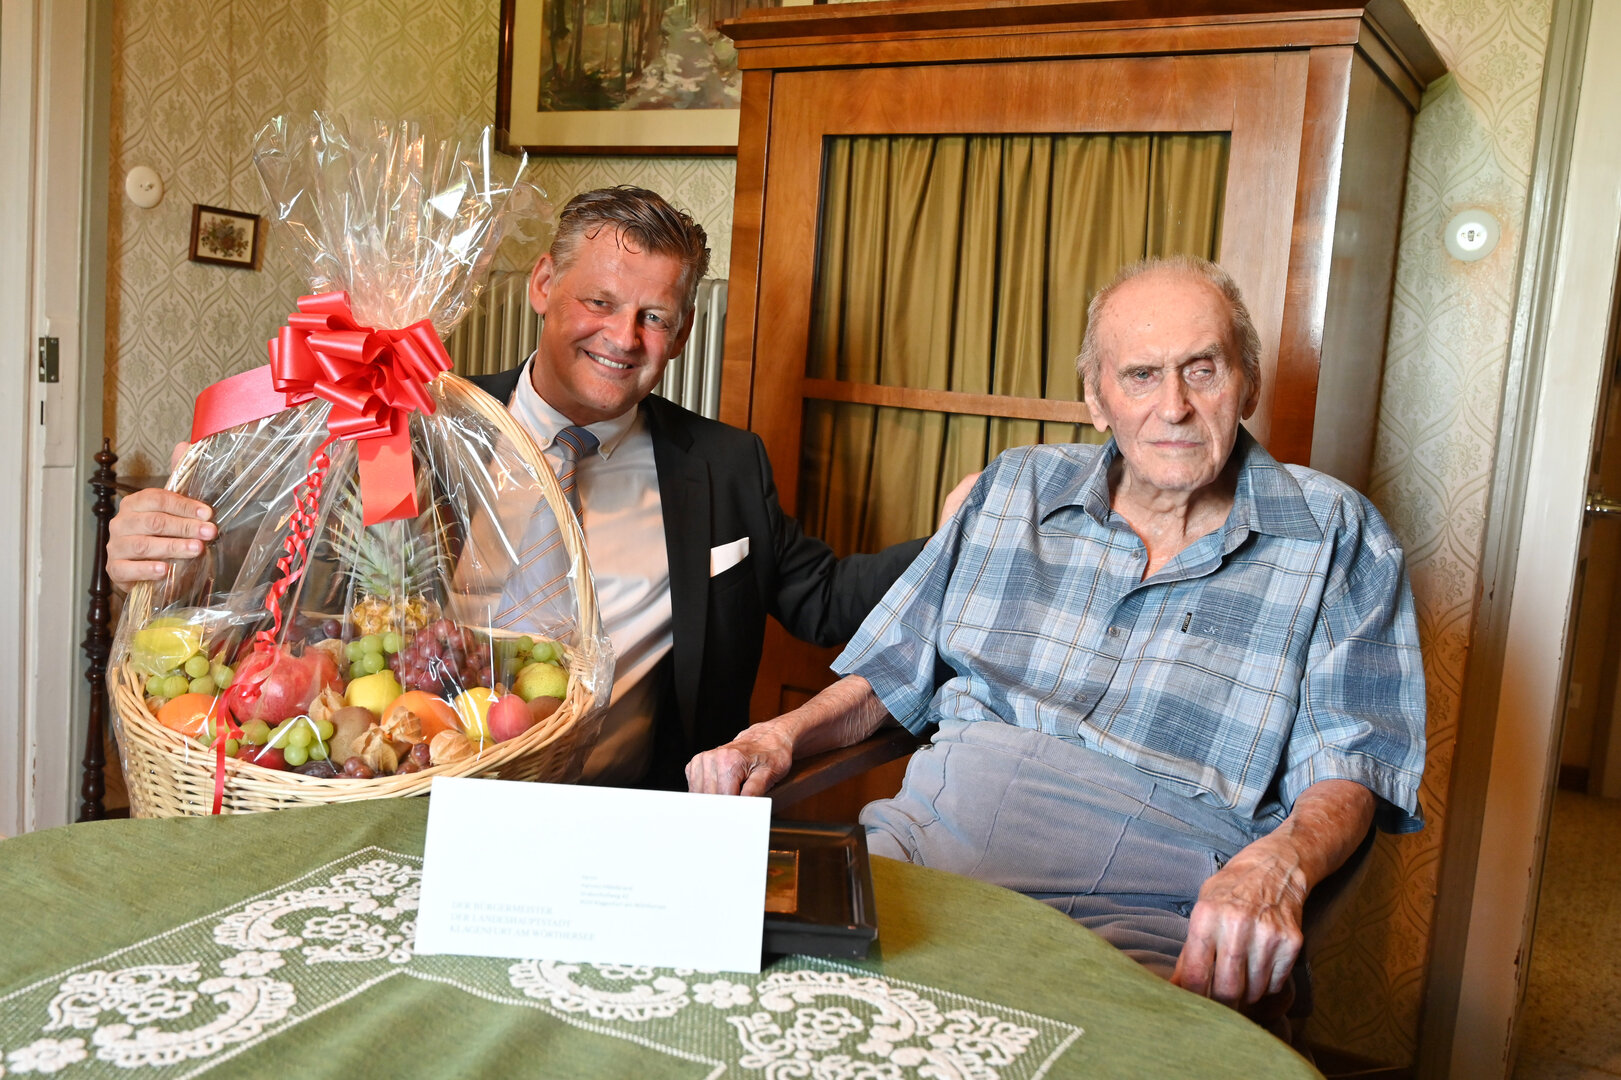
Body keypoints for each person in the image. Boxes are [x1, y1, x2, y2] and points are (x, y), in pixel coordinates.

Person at [688, 255, 1426, 1014]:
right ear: (1096, 399)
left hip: (1153, 914)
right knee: (725, 998)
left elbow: (1353, 761)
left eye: (1201, 371)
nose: (1173, 407)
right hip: (921, 859)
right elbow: (893, 669)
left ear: (1249, 384)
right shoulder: (1016, 486)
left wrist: (1281, 865)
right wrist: (778, 735)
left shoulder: (1334, 533)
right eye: (1140, 375)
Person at [107, 186, 965, 788]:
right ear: (544, 287)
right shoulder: (411, 428)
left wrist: (965, 539)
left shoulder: (724, 464)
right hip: (408, 802)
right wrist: (161, 545)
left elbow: (825, 598)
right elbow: (274, 594)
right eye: (600, 302)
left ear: (680, 334)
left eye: (654, 317)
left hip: (627, 817)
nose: (623, 338)